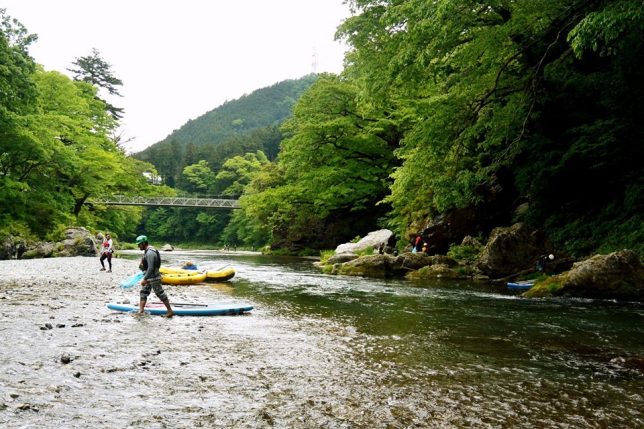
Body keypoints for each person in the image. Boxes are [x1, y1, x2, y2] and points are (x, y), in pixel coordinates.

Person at [136, 235, 174, 318]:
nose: (138, 246)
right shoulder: (147, 251)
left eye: (139, 244)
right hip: (149, 276)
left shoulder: (150, 252)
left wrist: (145, 279)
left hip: (154, 277)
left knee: (160, 294)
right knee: (143, 293)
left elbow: (151, 267)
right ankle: (141, 311)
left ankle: (170, 311)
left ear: (143, 243)